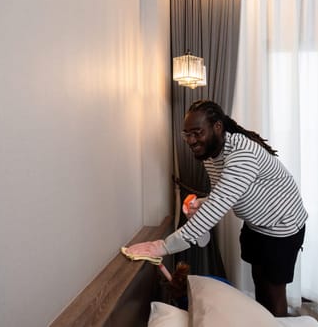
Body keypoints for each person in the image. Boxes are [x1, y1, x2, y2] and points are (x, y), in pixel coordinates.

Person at [126, 100, 308, 317]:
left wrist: (163, 246)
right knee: (259, 282)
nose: (191, 141)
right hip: (255, 225)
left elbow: (218, 205)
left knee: (273, 291)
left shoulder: (242, 154)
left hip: (281, 227)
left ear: (217, 127)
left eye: (197, 132)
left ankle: (278, 323)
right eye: (187, 135)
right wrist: (201, 204)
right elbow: (223, 194)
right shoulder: (211, 154)